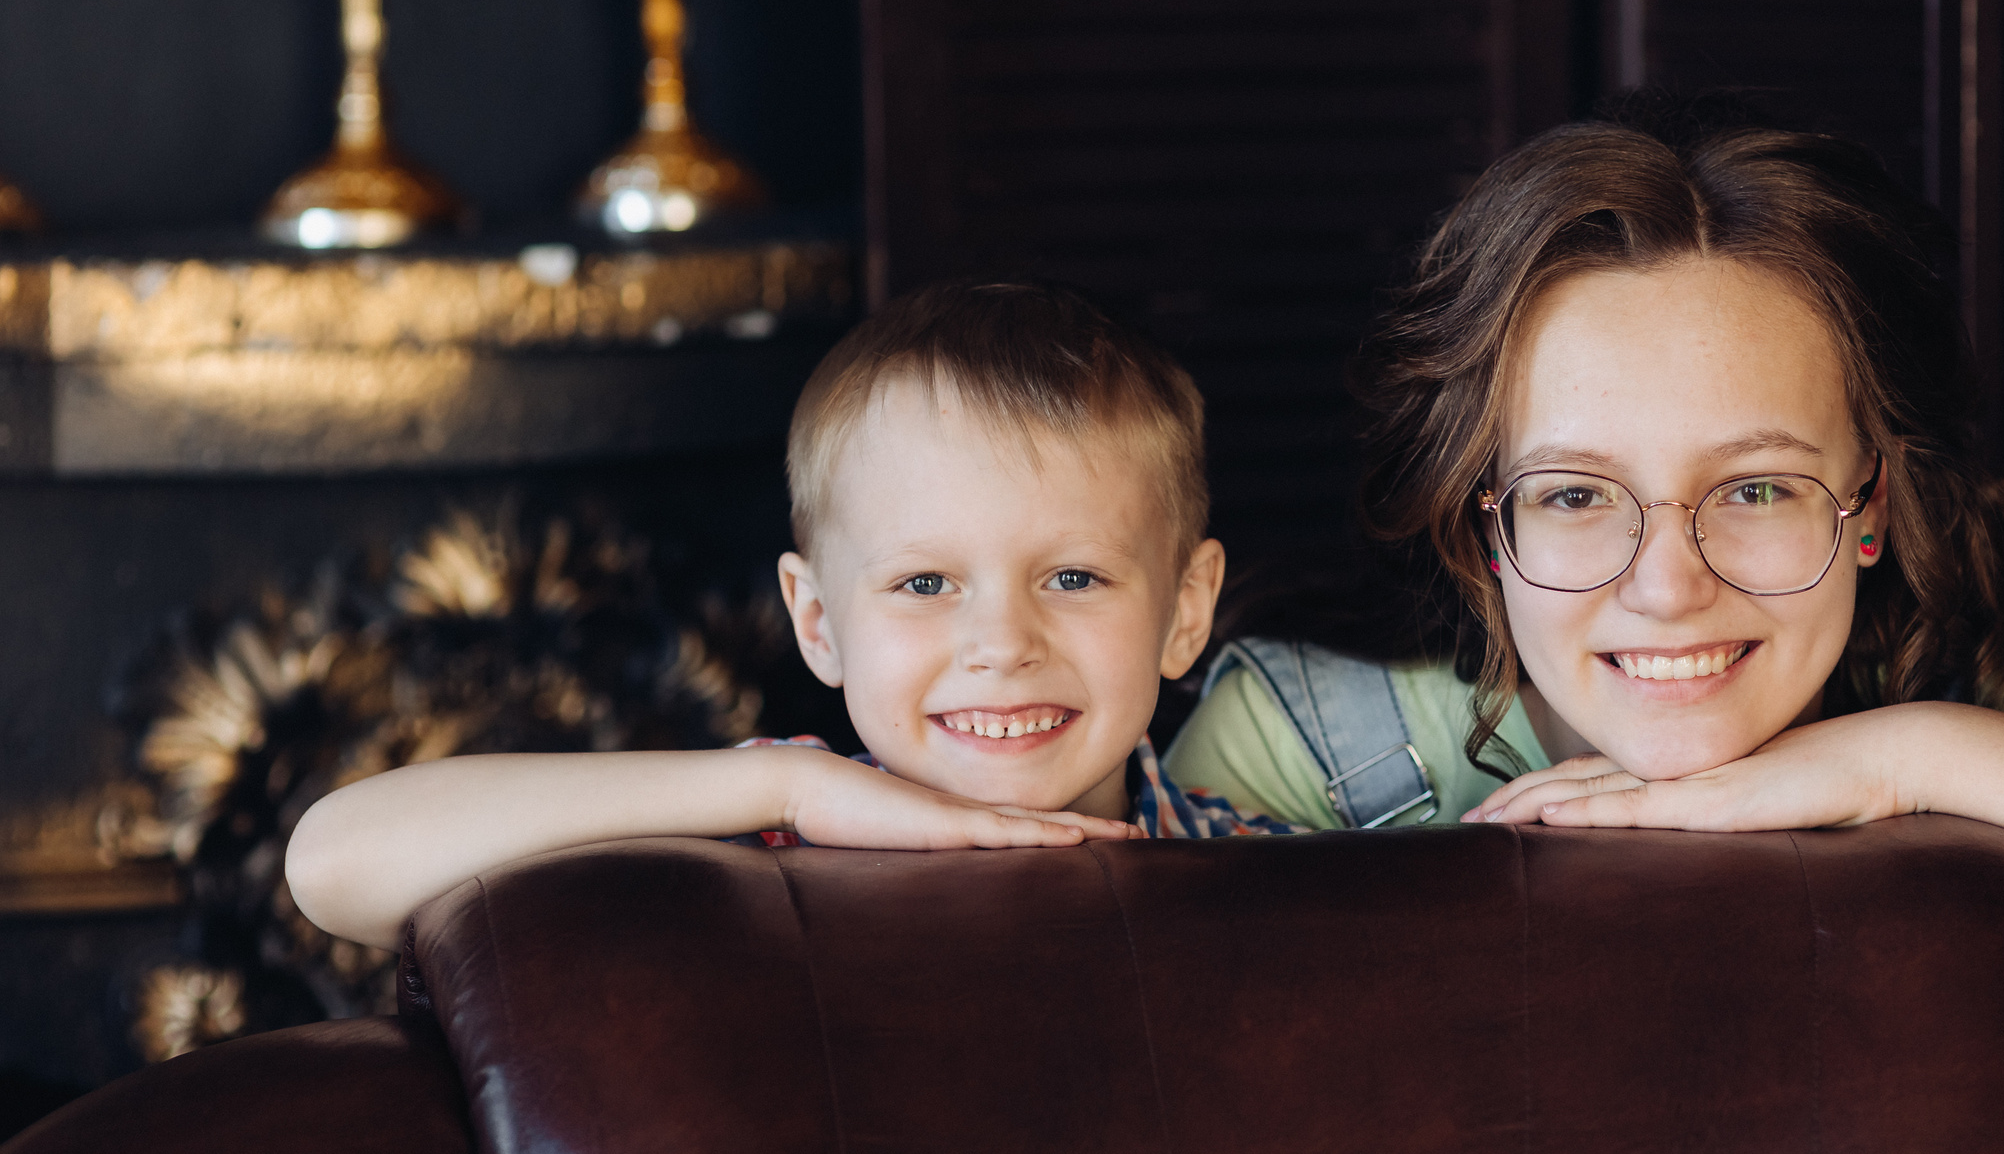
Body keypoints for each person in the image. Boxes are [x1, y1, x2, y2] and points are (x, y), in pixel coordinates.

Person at [1167, 91, 2004, 1043]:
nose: (1668, 584)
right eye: (1577, 496)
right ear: (1485, 525)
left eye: (1756, 489)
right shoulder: (1308, 745)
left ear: (1871, 504)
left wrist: (1911, 757)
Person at [289, 280, 1299, 951]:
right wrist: (784, 784)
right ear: (816, 622)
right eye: (925, 584)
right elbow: (335, 864)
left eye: (1073, 577)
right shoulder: (766, 850)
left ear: (1185, 610)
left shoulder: (1269, 880)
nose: (1002, 644)